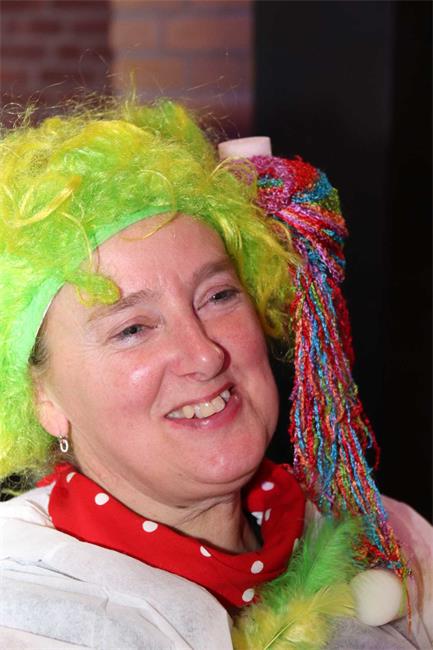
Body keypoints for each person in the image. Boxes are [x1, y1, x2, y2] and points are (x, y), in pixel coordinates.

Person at [0, 98, 431, 650]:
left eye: (218, 296)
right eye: (133, 328)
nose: (204, 355)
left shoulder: (393, 543)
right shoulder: (24, 613)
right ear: (41, 397)